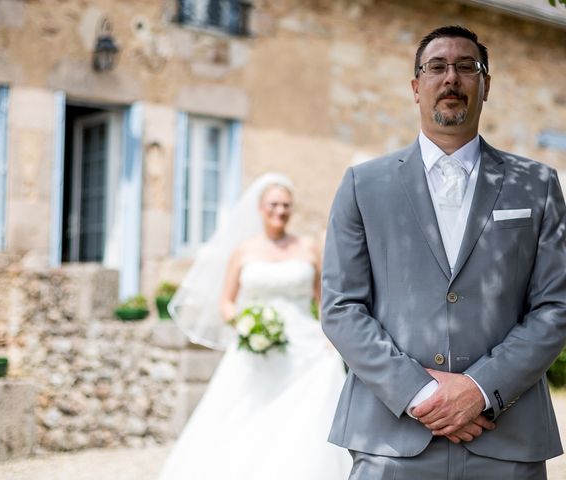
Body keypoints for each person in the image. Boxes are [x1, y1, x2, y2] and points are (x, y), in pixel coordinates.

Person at [321, 25, 566, 479]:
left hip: (507, 438)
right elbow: (341, 308)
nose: (450, 77)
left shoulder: (538, 185)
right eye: (436, 67)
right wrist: (420, 394)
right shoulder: (362, 185)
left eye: (466, 66)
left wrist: (480, 388)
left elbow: (556, 307)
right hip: (390, 440)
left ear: (485, 85)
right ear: (416, 87)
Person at [159, 173, 352, 480]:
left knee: (305, 415)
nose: (280, 210)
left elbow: (323, 299)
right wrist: (247, 326)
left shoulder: (308, 247)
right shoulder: (244, 250)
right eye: (274, 204)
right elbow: (226, 302)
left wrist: (329, 336)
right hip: (256, 345)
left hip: (306, 347)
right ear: (261, 208)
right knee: (244, 413)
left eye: (286, 205)